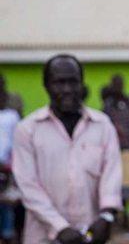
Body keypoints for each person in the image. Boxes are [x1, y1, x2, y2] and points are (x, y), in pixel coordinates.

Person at [13, 54, 122, 244]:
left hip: (91, 235)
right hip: (42, 237)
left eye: (73, 82)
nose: (67, 90)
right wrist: (59, 227)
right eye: (59, 83)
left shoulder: (103, 125)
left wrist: (106, 216)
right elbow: (27, 186)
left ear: (82, 84)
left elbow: (111, 174)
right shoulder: (27, 130)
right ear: (46, 86)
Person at [0, 73, 20, 242]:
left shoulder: (11, 117)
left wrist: (9, 167)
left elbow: (17, 145)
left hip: (7, 171)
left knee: (7, 209)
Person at [103, 74, 129, 150]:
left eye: (119, 84)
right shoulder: (108, 106)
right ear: (112, 86)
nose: (118, 86)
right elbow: (105, 127)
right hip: (116, 149)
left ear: (123, 85)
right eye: (115, 84)